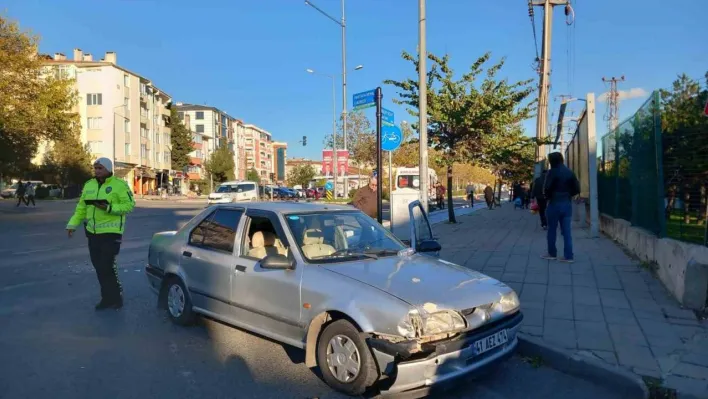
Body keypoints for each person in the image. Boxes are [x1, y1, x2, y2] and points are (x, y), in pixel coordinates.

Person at [66, 157, 135, 310]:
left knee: (106, 266)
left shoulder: (119, 185)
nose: (97, 171)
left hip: (111, 233)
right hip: (92, 233)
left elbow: (129, 205)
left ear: (109, 169)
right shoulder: (89, 185)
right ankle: (107, 298)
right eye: (95, 168)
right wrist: (72, 224)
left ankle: (116, 297)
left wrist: (109, 208)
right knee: (98, 267)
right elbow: (81, 209)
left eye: (100, 168)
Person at [542, 151, 580, 263]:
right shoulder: (570, 172)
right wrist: (568, 195)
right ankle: (569, 256)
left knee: (552, 230)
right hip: (567, 204)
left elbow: (547, 188)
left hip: (554, 203)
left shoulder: (552, 172)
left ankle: (552, 253)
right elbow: (577, 189)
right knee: (567, 231)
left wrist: (548, 197)